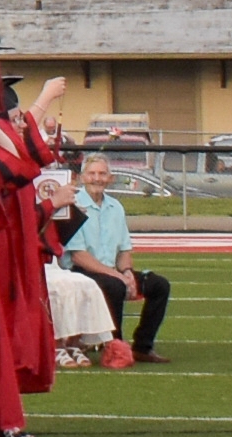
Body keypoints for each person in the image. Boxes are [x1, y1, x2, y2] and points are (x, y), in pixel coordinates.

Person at [57, 154, 165, 363]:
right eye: (92, 174)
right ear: (82, 177)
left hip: (112, 271)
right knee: (115, 285)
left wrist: (127, 273)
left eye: (102, 173)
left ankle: (143, 346)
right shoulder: (73, 206)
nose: (97, 178)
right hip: (82, 272)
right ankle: (116, 347)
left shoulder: (116, 207)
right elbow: (79, 256)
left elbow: (124, 250)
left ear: (110, 178)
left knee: (159, 285)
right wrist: (118, 276)